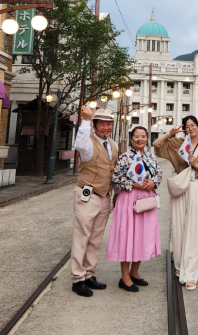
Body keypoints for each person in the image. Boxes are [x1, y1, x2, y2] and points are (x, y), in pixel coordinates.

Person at [153, 115, 198, 291]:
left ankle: (191, 273)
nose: (190, 128)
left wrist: (195, 164)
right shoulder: (177, 143)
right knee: (179, 228)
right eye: (187, 126)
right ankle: (180, 267)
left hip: (195, 186)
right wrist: (169, 134)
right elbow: (156, 145)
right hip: (180, 186)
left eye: (193, 125)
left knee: (193, 229)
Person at [106, 126, 163, 292]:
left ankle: (135, 272)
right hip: (129, 199)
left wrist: (153, 183)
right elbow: (115, 177)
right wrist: (134, 184)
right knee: (127, 236)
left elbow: (159, 174)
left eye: (143, 136)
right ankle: (124, 277)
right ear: (131, 139)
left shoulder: (151, 157)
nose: (140, 139)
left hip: (146, 199)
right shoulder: (125, 157)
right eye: (136, 136)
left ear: (147, 138)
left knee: (142, 236)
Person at [70, 107, 118, 297]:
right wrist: (86, 121)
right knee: (82, 236)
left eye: (109, 124)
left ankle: (89, 274)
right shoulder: (87, 142)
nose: (106, 127)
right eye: (102, 124)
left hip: (105, 196)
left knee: (96, 239)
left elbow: (113, 171)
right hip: (87, 195)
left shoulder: (113, 145)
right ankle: (77, 278)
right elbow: (79, 145)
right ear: (95, 126)